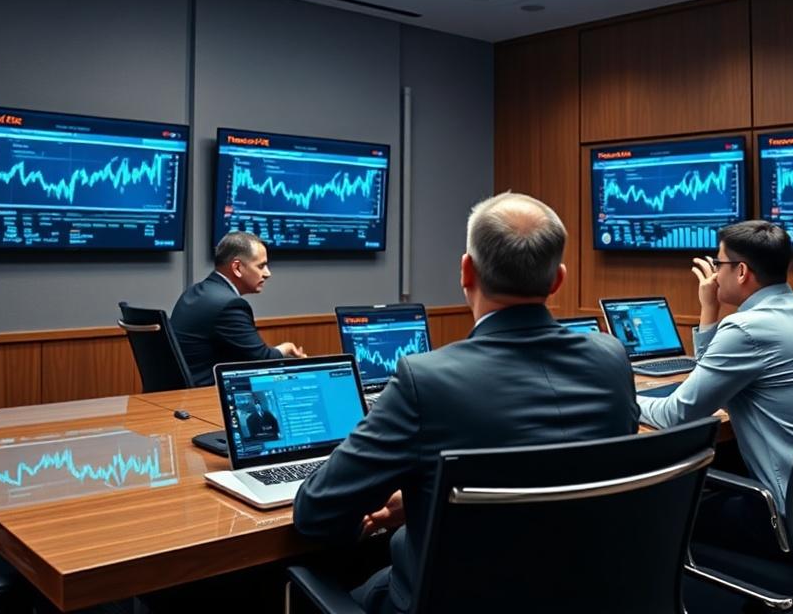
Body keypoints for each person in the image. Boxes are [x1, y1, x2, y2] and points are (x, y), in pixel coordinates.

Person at [294, 192, 640, 614]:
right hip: (592, 592)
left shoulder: (423, 380)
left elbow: (315, 512)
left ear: (466, 271)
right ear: (558, 280)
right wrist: (429, 490)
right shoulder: (611, 358)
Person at [637, 220, 793, 553]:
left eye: (718, 264)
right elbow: (710, 375)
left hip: (783, 515)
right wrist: (711, 308)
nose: (714, 275)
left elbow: (677, 416)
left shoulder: (747, 329)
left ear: (741, 272)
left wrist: (623, 396)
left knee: (660, 509)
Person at [171, 231, 305, 386]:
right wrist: (287, 347)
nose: (267, 273)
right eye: (261, 266)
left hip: (176, 395)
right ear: (237, 267)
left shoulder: (196, 292)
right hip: (201, 398)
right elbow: (263, 361)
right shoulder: (229, 305)